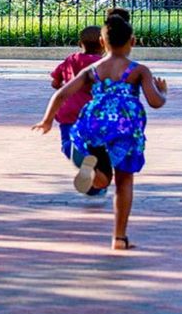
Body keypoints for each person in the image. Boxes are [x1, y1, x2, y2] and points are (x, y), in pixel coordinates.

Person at [36, 14, 168, 250]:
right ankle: (119, 237)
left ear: (102, 42)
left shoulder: (93, 69)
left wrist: (47, 121)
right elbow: (155, 102)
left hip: (94, 122)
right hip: (125, 127)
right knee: (124, 180)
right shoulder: (139, 70)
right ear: (133, 41)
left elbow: (62, 93)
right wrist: (163, 91)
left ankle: (96, 173)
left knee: (102, 165)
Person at [49, 25, 107, 194]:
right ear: (103, 44)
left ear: (80, 43)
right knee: (96, 147)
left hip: (68, 109)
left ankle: (80, 159)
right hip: (93, 113)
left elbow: (55, 82)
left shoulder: (71, 59)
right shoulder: (102, 64)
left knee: (67, 143)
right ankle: (97, 183)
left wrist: (64, 86)